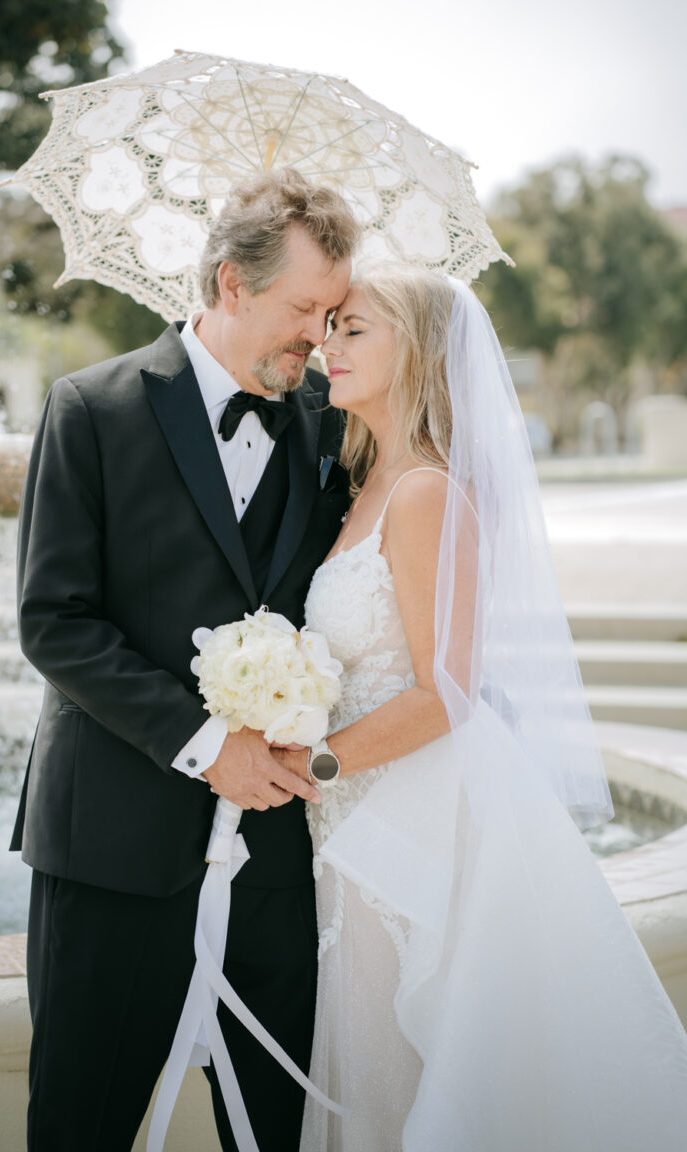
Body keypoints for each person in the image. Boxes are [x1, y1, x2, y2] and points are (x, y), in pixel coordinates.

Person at [271, 267, 687, 1151]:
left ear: (415, 352)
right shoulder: (362, 486)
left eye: (354, 330)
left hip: (409, 810)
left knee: (399, 1073)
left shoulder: (423, 492)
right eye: (329, 329)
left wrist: (315, 762)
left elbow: (446, 691)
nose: (327, 347)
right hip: (355, 809)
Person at [10, 167, 359, 1152]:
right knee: (82, 1126)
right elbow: (54, 621)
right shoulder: (92, 408)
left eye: (336, 313)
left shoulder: (335, 424)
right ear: (230, 284)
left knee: (279, 1131)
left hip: (277, 865)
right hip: (113, 849)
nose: (320, 337)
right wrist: (208, 742)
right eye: (303, 309)